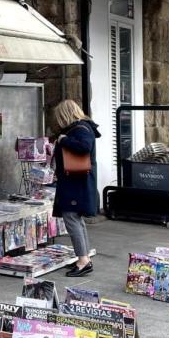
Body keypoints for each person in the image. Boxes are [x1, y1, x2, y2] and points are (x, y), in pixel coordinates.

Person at [52, 100, 101, 278]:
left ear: (65, 115)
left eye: (59, 117)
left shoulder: (80, 129)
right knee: (76, 220)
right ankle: (84, 257)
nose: (58, 121)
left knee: (71, 219)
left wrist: (64, 140)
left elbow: (84, 147)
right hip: (78, 182)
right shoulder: (83, 128)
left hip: (76, 183)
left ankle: (83, 260)